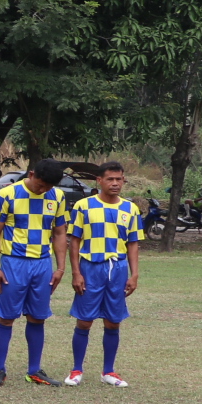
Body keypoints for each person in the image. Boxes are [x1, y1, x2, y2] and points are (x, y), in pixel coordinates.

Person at [0, 158, 68, 386]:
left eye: (48, 187)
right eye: (40, 185)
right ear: (31, 174)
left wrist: (60, 268)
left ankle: (34, 370)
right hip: (14, 263)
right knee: (6, 317)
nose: (43, 190)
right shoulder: (7, 194)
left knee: (37, 317)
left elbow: (60, 233)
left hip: (42, 264)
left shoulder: (58, 197)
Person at [64, 162, 141, 387]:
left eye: (119, 179)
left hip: (118, 269)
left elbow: (133, 244)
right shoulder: (84, 206)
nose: (115, 183)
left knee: (113, 322)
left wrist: (134, 274)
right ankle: (76, 370)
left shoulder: (130, 209)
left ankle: (109, 371)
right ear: (99, 181)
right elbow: (74, 241)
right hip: (90, 268)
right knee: (84, 320)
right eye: (110, 179)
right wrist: (76, 272)